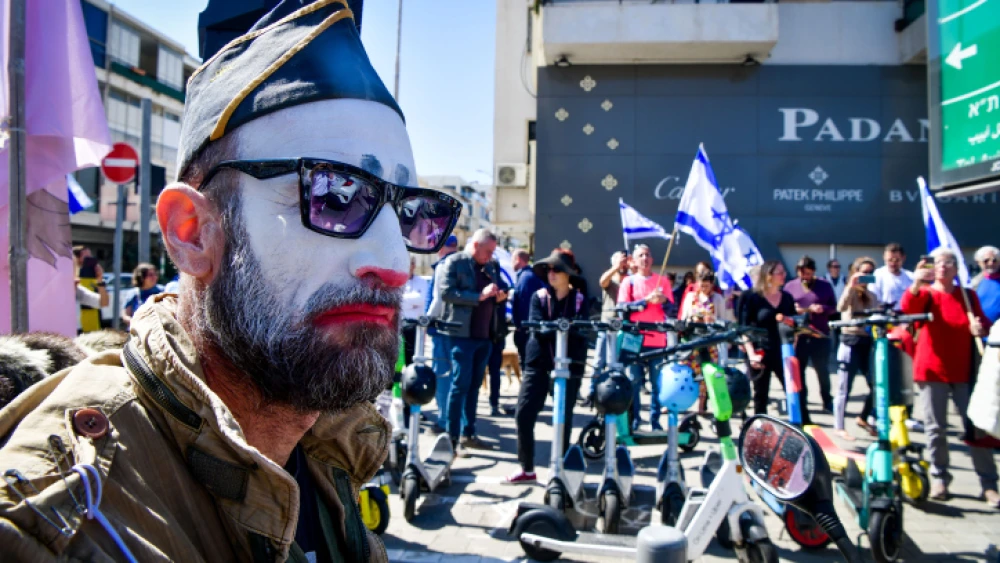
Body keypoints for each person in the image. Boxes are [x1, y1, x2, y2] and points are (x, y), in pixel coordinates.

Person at [0, 2, 462, 559]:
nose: (394, 261)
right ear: (192, 232)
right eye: (335, 194)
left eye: (410, 211)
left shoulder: (324, 446)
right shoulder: (60, 520)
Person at [902, 248, 998, 507]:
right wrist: (915, 283)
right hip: (931, 370)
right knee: (935, 429)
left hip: (964, 372)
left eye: (948, 263)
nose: (942, 267)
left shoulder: (967, 296)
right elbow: (907, 310)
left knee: (976, 427)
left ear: (956, 269)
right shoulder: (925, 294)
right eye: (939, 263)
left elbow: (984, 325)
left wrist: (979, 327)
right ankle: (939, 477)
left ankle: (988, 484)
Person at [506, 252, 589, 484]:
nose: (551, 274)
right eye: (549, 270)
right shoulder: (539, 296)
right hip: (538, 363)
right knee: (523, 413)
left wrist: (555, 328)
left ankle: (559, 468)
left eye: (557, 270)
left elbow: (582, 332)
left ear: (568, 275)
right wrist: (562, 327)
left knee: (563, 417)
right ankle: (527, 468)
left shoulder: (580, 299)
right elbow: (536, 327)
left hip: (570, 365)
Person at [439, 229, 506, 456]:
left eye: (492, 252)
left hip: (485, 336)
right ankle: (452, 438)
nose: (490, 256)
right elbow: (446, 293)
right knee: (460, 386)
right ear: (476, 245)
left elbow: (501, 287)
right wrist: (478, 296)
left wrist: (499, 295)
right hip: (462, 335)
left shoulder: (491, 266)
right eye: (487, 251)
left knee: (475, 387)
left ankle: (469, 433)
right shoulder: (455, 262)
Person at [617, 244, 673, 431]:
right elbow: (622, 309)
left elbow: (673, 309)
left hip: (657, 340)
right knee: (633, 381)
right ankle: (635, 420)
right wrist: (644, 302)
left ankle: (655, 422)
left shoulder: (662, 281)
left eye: (648, 254)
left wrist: (663, 301)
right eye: (641, 255)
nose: (645, 258)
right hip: (634, 339)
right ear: (634, 260)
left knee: (657, 384)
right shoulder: (628, 282)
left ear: (652, 259)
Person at [783, 256, 838, 421]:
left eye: (807, 273)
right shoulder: (790, 286)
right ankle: (802, 401)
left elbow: (834, 307)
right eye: (801, 273)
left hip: (819, 335)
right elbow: (785, 309)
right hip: (800, 336)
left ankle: (827, 400)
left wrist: (823, 308)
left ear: (813, 271)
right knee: (799, 371)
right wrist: (795, 309)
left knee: (822, 370)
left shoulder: (824, 285)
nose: (804, 276)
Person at [740, 260, 797, 416]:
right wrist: (751, 355)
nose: (784, 275)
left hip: (783, 352)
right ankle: (760, 430)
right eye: (780, 272)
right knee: (761, 395)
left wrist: (793, 350)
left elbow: (795, 325)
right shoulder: (753, 298)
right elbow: (745, 329)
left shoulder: (787, 297)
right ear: (769, 276)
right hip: (760, 352)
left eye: (784, 272)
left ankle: (800, 426)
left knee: (794, 391)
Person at [833, 257, 879, 440]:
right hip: (849, 341)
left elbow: (876, 311)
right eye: (863, 272)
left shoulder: (872, 295)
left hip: (867, 342)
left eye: (870, 273)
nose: (867, 276)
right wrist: (851, 286)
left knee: (876, 385)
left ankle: (864, 417)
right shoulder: (850, 290)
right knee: (844, 387)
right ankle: (839, 426)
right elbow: (841, 306)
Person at [582, 249, 630, 408]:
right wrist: (616, 268)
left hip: (623, 328)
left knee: (618, 364)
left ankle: (617, 393)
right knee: (598, 362)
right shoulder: (611, 279)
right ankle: (592, 392)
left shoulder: (629, 280)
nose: (623, 264)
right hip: (606, 326)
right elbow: (602, 281)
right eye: (620, 260)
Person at [425, 234, 459, 435]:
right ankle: (458, 421)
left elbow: (438, 300)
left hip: (441, 328)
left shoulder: (443, 265)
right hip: (460, 329)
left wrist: (426, 320)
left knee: (442, 376)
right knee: (457, 377)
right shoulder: (464, 264)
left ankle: (444, 420)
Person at [512, 249, 545, 370]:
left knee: (528, 365)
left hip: (526, 330)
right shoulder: (528, 276)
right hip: (528, 329)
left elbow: (525, 305)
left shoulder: (526, 278)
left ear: (518, 259)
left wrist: (522, 328)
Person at [487, 264, 511, 417]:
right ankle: (493, 403)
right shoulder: (501, 286)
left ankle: (494, 403)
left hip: (492, 335)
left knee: (492, 372)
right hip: (494, 335)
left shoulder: (499, 286)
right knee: (494, 372)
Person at [401, 258, 429, 365]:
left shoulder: (421, 281)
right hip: (399, 324)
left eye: (411, 263)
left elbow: (422, 299)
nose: (409, 266)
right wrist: (412, 303)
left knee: (412, 358)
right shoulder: (397, 281)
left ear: (414, 265)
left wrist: (404, 300)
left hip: (414, 325)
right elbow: (397, 301)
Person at [120, 263, 165, 328]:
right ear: (141, 277)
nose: (154, 277)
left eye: (155, 274)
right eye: (150, 275)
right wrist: (137, 323)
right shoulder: (133, 294)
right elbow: (125, 316)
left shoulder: (162, 291)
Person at [872, 242, 914, 310]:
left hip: (906, 316)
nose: (893, 263)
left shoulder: (911, 277)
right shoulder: (877, 275)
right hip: (885, 316)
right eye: (890, 260)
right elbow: (873, 299)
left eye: (897, 260)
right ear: (884, 257)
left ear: (903, 258)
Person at [973, 245, 1000, 323]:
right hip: (982, 330)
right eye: (986, 260)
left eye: (994, 260)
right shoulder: (974, 284)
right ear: (979, 262)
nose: (991, 263)